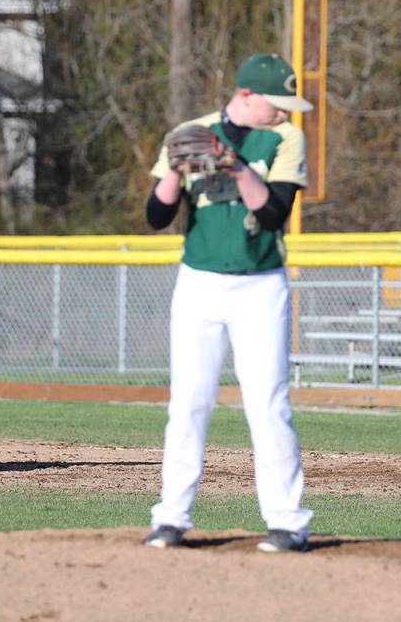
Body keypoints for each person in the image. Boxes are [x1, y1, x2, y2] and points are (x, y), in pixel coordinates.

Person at [144, 53, 314, 552]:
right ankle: (170, 518)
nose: (284, 112)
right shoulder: (189, 131)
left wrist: (235, 165)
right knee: (189, 404)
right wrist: (175, 170)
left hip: (261, 285)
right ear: (246, 95)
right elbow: (157, 215)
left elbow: (274, 212)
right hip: (199, 283)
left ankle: (287, 522)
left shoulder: (286, 138)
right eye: (276, 103)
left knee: (268, 405)